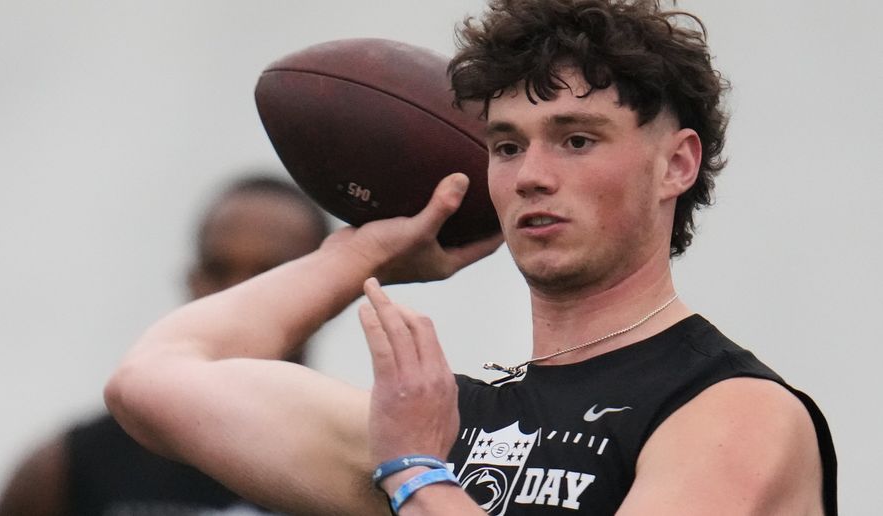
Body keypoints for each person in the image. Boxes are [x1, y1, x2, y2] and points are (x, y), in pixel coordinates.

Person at [103, 1, 837, 515]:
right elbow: (153, 381)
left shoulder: (732, 411)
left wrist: (416, 476)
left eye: (575, 140)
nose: (530, 176)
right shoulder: (449, 422)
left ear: (675, 164)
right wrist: (359, 254)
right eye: (507, 146)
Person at [0, 175, 330, 516]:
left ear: (330, 296)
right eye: (218, 270)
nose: (236, 294)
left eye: (270, 274)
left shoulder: (363, 467)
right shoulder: (69, 468)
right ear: (193, 282)